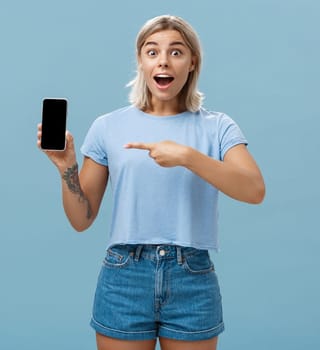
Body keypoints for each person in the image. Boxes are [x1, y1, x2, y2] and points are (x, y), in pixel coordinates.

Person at [37, 14, 265, 350]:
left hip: (192, 277)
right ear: (141, 62)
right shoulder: (108, 127)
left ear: (192, 63)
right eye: (152, 51)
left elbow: (254, 189)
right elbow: (81, 219)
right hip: (125, 275)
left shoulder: (218, 127)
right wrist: (67, 168)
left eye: (176, 52)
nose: (164, 60)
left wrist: (187, 157)